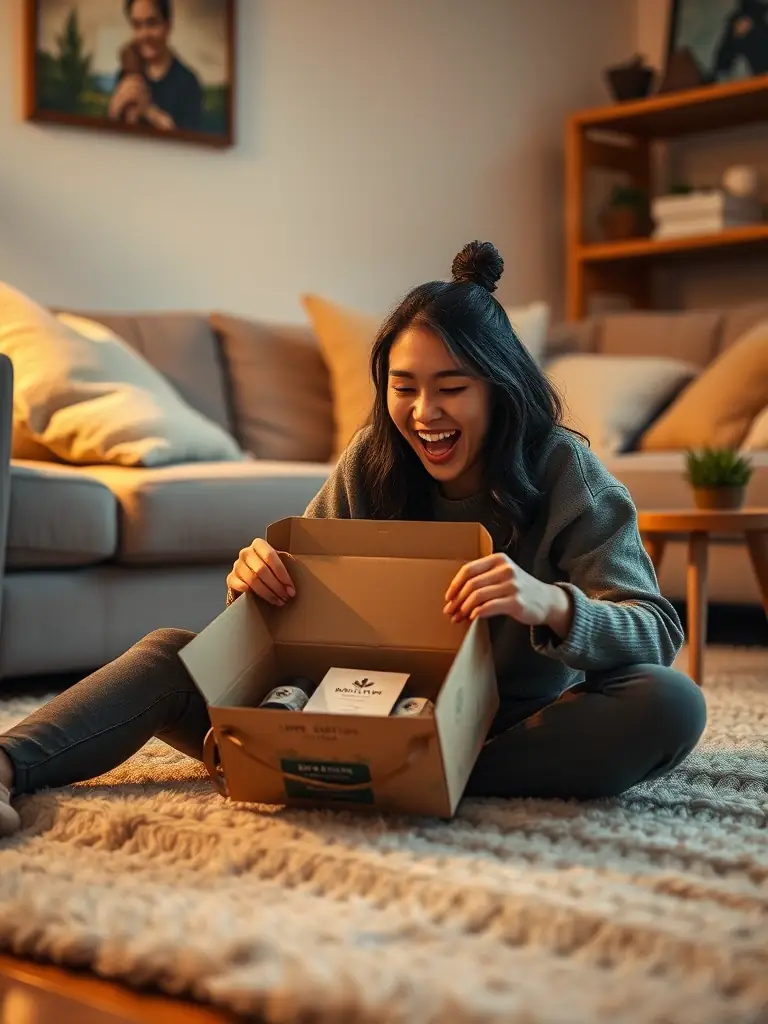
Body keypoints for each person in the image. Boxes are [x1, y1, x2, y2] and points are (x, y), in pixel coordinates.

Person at [0, 242, 707, 836]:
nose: (423, 413)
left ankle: (383, 778)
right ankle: (7, 765)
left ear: (499, 386)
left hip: (500, 732)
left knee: (670, 702)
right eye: (404, 387)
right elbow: (285, 619)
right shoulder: (375, 457)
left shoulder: (564, 470)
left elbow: (654, 629)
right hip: (335, 716)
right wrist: (257, 580)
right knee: (165, 653)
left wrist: (551, 604)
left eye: (451, 387)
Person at [108, 0, 203, 132]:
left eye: (151, 23)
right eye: (137, 25)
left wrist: (147, 109)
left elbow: (190, 143)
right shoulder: (125, 75)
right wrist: (115, 108)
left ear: (167, 26)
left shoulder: (188, 83)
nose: (144, 34)